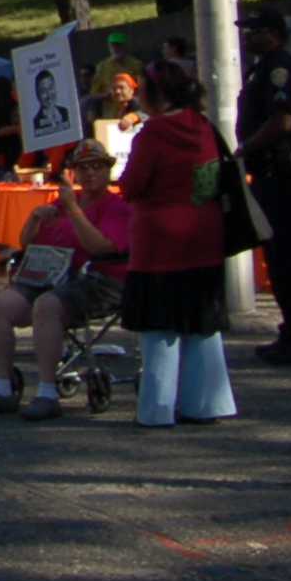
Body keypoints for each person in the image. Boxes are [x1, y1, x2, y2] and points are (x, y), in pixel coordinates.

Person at [0, 139, 132, 420]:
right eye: (84, 167)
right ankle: (2, 388)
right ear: (74, 173)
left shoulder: (116, 207)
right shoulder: (64, 203)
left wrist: (74, 211)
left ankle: (47, 392)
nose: (91, 172)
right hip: (51, 277)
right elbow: (26, 244)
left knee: (47, 305)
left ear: (108, 170)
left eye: (97, 166)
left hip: (97, 280)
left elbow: (99, 247)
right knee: (0, 304)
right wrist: (33, 218)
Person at [117, 59, 236, 428]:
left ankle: (157, 409)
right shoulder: (203, 125)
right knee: (203, 324)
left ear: (157, 94)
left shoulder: (153, 133)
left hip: (159, 239)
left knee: (159, 328)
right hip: (205, 233)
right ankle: (207, 403)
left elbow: (132, 186)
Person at [233, 7, 291, 366]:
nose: (246, 36)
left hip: (285, 170)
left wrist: (246, 147)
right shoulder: (263, 68)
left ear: (272, 33)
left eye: (253, 30)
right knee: (277, 256)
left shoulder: (280, 68)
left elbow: (282, 121)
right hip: (270, 171)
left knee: (290, 255)